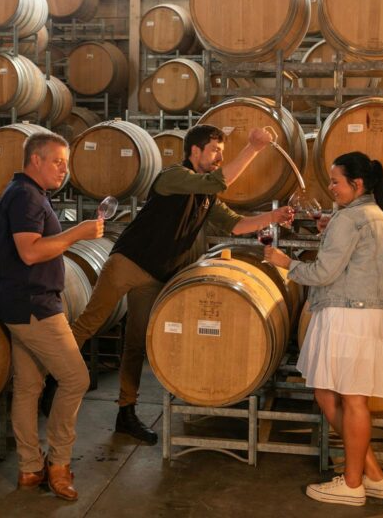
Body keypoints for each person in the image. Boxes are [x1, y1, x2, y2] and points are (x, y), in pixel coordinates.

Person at [69, 124, 294, 444]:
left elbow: (237, 224)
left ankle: (126, 412)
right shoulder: (173, 176)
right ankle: (48, 380)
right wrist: (253, 148)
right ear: (195, 151)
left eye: (221, 153)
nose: (219, 157)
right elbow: (217, 180)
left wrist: (273, 217)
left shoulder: (205, 193)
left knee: (136, 344)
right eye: (215, 151)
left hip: (155, 275)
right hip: (127, 264)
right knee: (89, 324)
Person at [265, 151, 383, 506]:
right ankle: (374, 474)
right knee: (329, 394)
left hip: (346, 314)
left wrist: (285, 263)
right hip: (360, 313)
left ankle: (352, 485)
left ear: (357, 184)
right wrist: (330, 225)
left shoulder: (350, 219)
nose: (332, 188)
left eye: (336, 182)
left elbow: (323, 273)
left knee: (351, 400)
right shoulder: (371, 215)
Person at [0, 132, 103, 501]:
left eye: (66, 163)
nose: (63, 169)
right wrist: (79, 233)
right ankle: (58, 464)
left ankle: (29, 468)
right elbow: (30, 252)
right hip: (35, 306)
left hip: (18, 304)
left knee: (28, 387)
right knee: (76, 379)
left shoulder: (26, 193)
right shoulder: (26, 196)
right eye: (57, 161)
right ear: (35, 160)